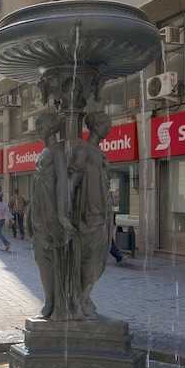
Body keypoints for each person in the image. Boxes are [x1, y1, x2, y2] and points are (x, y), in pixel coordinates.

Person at [66, 112, 114, 318]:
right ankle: (78, 300)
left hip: (102, 217)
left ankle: (83, 298)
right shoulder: (84, 151)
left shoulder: (96, 151)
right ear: (96, 126)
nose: (109, 128)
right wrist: (64, 212)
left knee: (97, 263)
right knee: (88, 263)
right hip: (88, 217)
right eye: (106, 124)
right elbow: (72, 181)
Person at [29, 113, 73, 320]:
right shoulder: (46, 151)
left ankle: (55, 304)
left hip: (50, 212)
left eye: (42, 124)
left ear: (53, 127)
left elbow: (63, 180)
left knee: (53, 258)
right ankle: (49, 300)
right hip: (39, 211)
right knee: (40, 256)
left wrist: (62, 213)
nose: (38, 128)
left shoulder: (57, 152)